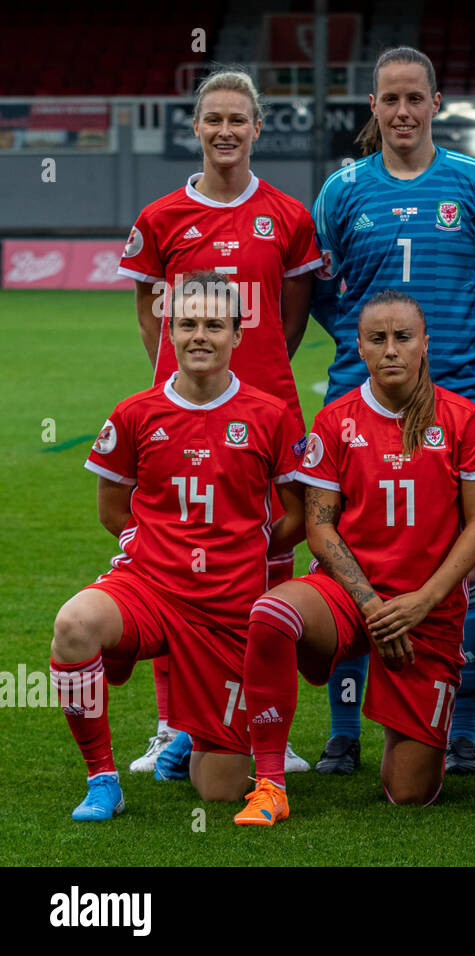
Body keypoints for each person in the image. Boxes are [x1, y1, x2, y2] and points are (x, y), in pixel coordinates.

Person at [310, 46, 475, 775]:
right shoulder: (340, 192)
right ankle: (343, 730)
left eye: (415, 98)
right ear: (373, 106)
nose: (402, 112)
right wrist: (367, 356)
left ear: (437, 102)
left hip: (457, 402)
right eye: (389, 99)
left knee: (462, 567)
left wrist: (447, 354)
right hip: (352, 400)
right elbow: (322, 297)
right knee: (346, 557)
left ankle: (457, 727)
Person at [116, 68, 321, 776]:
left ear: (257, 128)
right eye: (214, 120)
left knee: (268, 567)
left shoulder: (290, 216)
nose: (226, 131)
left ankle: (270, 728)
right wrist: (177, 372)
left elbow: (291, 317)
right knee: (176, 567)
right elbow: (149, 308)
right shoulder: (160, 217)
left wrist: (251, 374)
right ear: (197, 129)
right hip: (181, 417)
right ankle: (175, 728)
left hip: (268, 414)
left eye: (239, 119)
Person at [235, 290, 475, 825]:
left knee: (409, 794)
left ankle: (405, 718)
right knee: (271, 614)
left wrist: (422, 601)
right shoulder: (335, 421)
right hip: (351, 597)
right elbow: (319, 526)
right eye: (377, 339)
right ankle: (269, 784)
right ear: (359, 347)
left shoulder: (463, 418)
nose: (391, 349)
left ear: (426, 343)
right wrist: (372, 604)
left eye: (403, 337)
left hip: (428, 612)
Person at [52, 273, 304, 820]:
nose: (199, 335)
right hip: (149, 588)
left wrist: (247, 549)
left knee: (218, 789)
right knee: (73, 625)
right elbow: (112, 508)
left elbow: (297, 514)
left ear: (238, 334)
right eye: (187, 323)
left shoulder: (269, 415)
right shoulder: (134, 414)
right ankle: (102, 780)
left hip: (227, 609)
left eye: (214, 324)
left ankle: (189, 736)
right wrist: (154, 546)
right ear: (168, 333)